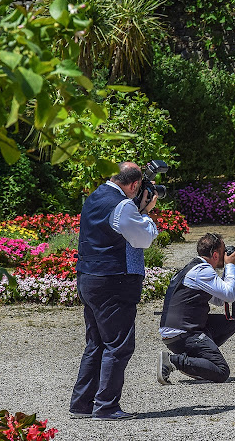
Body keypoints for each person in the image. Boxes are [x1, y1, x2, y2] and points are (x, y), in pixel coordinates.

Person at [70, 162, 159, 421]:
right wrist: (146, 214)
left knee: (96, 344)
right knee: (118, 345)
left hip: (88, 277)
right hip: (113, 282)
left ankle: (82, 404)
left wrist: (137, 209)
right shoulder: (123, 205)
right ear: (133, 185)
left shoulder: (95, 196)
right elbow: (143, 239)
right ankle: (106, 406)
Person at [157, 232, 235, 384]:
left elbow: (219, 300)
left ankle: (198, 365)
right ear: (215, 255)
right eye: (224, 252)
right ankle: (173, 361)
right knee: (222, 371)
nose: (226, 255)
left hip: (180, 330)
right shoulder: (202, 271)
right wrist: (230, 267)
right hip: (183, 334)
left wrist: (228, 271)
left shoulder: (196, 268)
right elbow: (229, 295)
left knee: (229, 323)